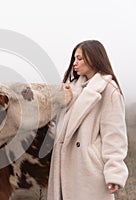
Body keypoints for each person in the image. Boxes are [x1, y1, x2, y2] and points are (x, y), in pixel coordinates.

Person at [47, 40, 129, 200]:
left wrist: (114, 172)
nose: (74, 63)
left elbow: (114, 135)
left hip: (88, 168)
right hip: (63, 164)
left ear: (93, 58)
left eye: (79, 58)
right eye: (74, 59)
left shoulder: (109, 91)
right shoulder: (71, 89)